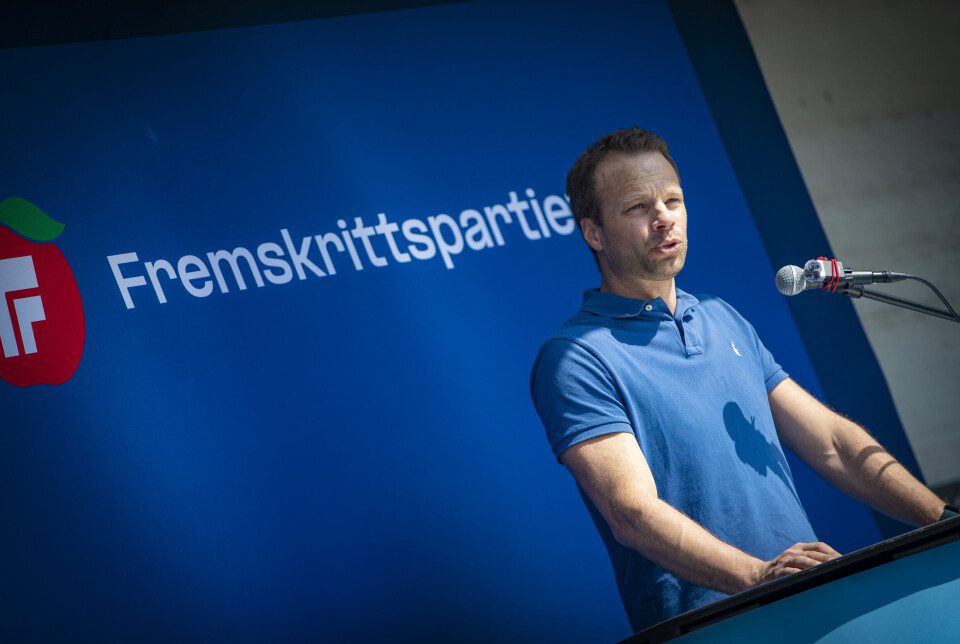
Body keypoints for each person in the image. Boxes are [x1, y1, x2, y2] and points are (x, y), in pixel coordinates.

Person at [529, 127, 952, 633]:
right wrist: (760, 576)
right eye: (637, 207)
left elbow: (832, 443)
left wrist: (943, 520)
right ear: (593, 232)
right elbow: (632, 512)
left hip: (813, 604)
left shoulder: (720, 316)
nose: (664, 216)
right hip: (717, 625)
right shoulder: (575, 356)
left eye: (673, 200)